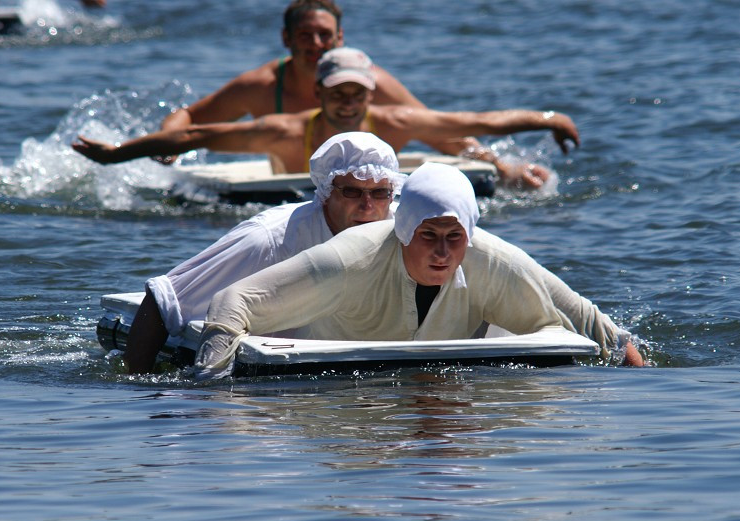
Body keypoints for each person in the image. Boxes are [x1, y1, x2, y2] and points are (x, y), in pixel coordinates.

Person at [193, 162, 644, 379]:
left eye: (455, 238)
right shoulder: (349, 258)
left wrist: (636, 377)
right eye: (429, 236)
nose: (443, 253)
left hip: (446, 401)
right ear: (405, 230)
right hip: (346, 403)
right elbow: (233, 301)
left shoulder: (493, 258)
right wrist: (209, 390)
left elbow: (592, 326)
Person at [154, 0, 541, 187]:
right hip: (288, 189)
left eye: (326, 35)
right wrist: (165, 144)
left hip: (360, 196)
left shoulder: (375, 84)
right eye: (305, 35)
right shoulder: (260, 87)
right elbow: (189, 118)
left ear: (340, 38)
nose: (316, 44)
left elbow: (437, 130)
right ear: (287, 39)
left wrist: (503, 169)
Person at [73, 47, 580, 188]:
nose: (349, 102)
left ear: (369, 93)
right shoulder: (284, 129)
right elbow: (198, 135)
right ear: (319, 92)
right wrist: (117, 155)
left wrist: (548, 118)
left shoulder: (396, 120)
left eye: (358, 92)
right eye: (338, 92)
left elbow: (479, 121)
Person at [120, 131, 408, 374]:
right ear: (326, 191)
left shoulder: (408, 231)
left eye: (380, 193)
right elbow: (163, 300)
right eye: (353, 192)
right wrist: (143, 395)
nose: (368, 207)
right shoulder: (268, 240)